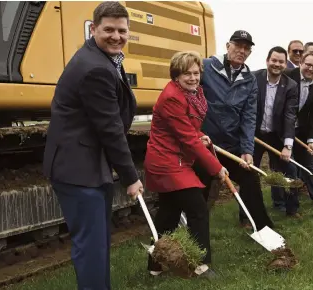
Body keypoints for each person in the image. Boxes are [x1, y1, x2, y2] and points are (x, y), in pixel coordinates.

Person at [42, 2, 142, 289]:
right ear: (94, 28)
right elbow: (110, 129)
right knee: (92, 249)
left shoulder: (101, 58)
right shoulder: (95, 68)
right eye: (108, 29)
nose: (116, 36)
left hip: (85, 163)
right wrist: (131, 177)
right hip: (78, 170)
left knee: (96, 245)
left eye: (122, 30)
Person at [144, 51, 229, 279]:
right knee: (197, 209)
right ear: (176, 75)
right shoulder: (172, 97)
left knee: (169, 216)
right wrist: (216, 168)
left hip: (176, 159)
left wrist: (202, 135)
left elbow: (189, 129)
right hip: (166, 162)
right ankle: (201, 265)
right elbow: (187, 138)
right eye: (186, 74)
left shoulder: (193, 94)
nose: (192, 77)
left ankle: (155, 266)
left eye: (196, 73)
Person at [199, 30, 275, 230]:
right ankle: (194, 234)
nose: (242, 51)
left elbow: (249, 117)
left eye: (246, 48)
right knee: (200, 191)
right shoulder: (207, 67)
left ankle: (262, 227)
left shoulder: (249, 80)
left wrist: (247, 150)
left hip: (230, 146)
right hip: (205, 145)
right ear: (227, 46)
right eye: (238, 46)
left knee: (250, 179)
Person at [252, 46, 300, 217]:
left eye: (281, 61)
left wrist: (287, 145)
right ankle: (248, 215)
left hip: (276, 135)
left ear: (285, 64)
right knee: (249, 173)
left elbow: (290, 115)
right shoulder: (254, 78)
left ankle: (292, 209)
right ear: (267, 60)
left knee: (290, 170)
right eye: (274, 60)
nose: (277, 64)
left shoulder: (291, 85)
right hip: (254, 135)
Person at [286, 52, 313, 205]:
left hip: (302, 129)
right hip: (283, 128)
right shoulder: (288, 76)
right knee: (286, 165)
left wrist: (312, 139)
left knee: (311, 163)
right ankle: (283, 202)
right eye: (308, 64)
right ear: (301, 63)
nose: (311, 68)